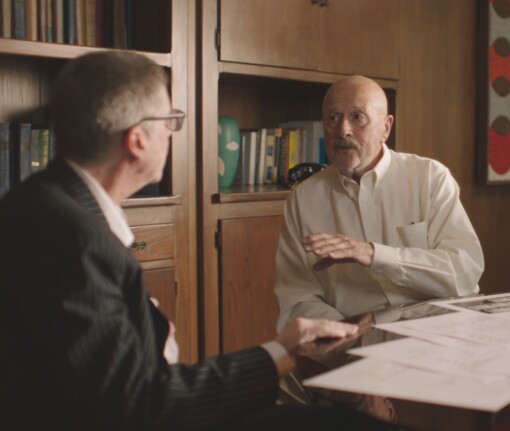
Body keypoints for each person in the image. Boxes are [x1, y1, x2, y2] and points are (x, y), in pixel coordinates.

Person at [0, 52, 399, 431]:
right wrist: (283, 352)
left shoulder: (41, 201)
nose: (173, 135)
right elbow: (139, 405)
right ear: (137, 140)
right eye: (171, 120)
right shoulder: (75, 240)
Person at [274, 75, 484, 330]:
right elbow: (297, 296)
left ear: (386, 128)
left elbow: (465, 272)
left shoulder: (429, 178)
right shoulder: (303, 199)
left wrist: (375, 254)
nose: (343, 130)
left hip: (439, 333)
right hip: (351, 341)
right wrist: (346, 333)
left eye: (357, 117)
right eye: (333, 118)